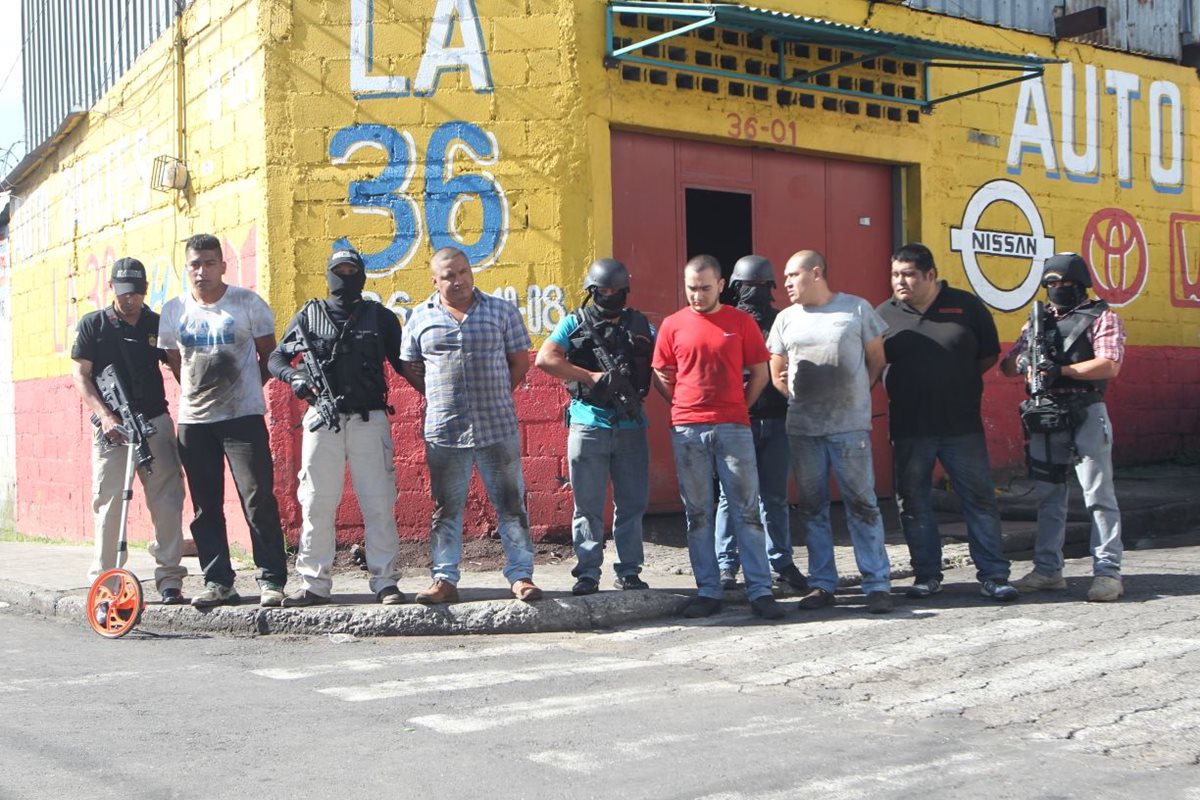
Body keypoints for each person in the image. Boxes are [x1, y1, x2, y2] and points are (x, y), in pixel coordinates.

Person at [400, 246, 542, 603]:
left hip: (497, 426)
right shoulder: (418, 318)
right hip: (445, 431)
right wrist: (438, 396)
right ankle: (444, 579)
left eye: (463, 272)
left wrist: (497, 393)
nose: (458, 280)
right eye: (449, 275)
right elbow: (410, 366)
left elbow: (520, 361)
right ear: (435, 281)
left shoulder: (501, 311)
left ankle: (521, 576)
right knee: (446, 509)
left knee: (511, 504)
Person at [876, 243, 1018, 602]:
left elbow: (987, 355)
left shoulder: (966, 306)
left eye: (908, 274)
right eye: (895, 274)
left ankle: (993, 575)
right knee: (913, 503)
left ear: (930, 275)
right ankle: (926, 575)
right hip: (909, 428)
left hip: (961, 427)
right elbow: (873, 365)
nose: (900, 281)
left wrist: (953, 381)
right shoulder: (883, 315)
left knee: (979, 500)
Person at [267, 248, 406, 607]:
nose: (344, 277)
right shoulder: (310, 316)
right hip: (320, 418)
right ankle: (314, 583)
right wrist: (296, 378)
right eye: (338, 270)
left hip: (369, 418)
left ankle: (385, 581)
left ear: (361, 275)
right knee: (316, 502)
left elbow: (405, 362)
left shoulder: (380, 318)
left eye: (351, 270)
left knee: (378, 502)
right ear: (329, 274)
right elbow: (277, 358)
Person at [159, 233, 289, 608]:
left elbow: (270, 357)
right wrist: (199, 393)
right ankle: (219, 582)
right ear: (187, 268)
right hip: (194, 422)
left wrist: (246, 389)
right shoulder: (174, 310)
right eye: (194, 265)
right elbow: (175, 362)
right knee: (205, 506)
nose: (201, 272)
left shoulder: (247, 304)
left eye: (209, 263)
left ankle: (271, 580)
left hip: (243, 417)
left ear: (222, 266)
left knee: (257, 499)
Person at [651, 254, 784, 620]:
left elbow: (760, 372)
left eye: (705, 288)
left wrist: (739, 407)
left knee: (747, 512)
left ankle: (760, 592)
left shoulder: (741, 323)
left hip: (734, 428)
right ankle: (708, 591)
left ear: (721, 285)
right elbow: (662, 373)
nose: (697, 295)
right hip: (687, 430)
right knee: (698, 514)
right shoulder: (673, 325)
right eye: (691, 288)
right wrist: (682, 405)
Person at [767, 250, 893, 614]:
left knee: (863, 503)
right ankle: (822, 585)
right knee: (812, 508)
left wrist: (856, 398)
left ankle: (877, 583)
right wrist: (796, 398)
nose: (787, 283)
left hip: (849, 428)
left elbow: (877, 360)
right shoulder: (786, 319)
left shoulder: (856, 309)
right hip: (803, 429)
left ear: (816, 273)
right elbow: (776, 371)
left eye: (793, 275)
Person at [1000, 253, 1126, 602]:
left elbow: (1108, 365)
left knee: (1098, 495)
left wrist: (1062, 371)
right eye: (1051, 284)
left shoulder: (1103, 316)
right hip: (1047, 412)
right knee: (1049, 496)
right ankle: (1047, 570)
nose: (1057, 289)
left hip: (1086, 409)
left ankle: (1107, 572)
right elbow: (1008, 367)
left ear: (1080, 283)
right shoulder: (1037, 321)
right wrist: (1025, 359)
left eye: (1063, 283)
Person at [71, 258, 188, 604]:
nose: (130, 300)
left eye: (136, 293)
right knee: (108, 504)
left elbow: (177, 362)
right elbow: (81, 375)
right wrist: (105, 416)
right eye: (124, 293)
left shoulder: (155, 323)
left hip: (154, 419)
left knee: (168, 500)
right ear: (112, 290)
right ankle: (106, 584)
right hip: (113, 429)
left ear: (145, 291)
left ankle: (169, 579)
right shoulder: (94, 325)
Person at [535, 258, 654, 595]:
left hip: (632, 424)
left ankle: (629, 571)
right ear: (592, 291)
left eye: (616, 290)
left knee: (631, 505)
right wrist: (590, 377)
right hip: (589, 424)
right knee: (587, 506)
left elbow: (663, 362)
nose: (610, 295)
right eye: (603, 290)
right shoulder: (575, 322)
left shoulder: (642, 325)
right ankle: (587, 573)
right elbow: (546, 358)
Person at [713, 255, 805, 594]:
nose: (754, 292)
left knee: (775, 497)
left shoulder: (784, 321)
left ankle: (781, 561)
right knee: (729, 496)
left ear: (771, 288)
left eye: (760, 286)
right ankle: (726, 565)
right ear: (736, 288)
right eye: (747, 286)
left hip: (779, 420)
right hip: (738, 423)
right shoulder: (727, 323)